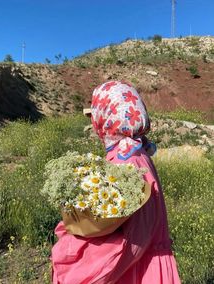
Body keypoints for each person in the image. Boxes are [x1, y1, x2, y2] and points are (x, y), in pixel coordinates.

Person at [51, 81, 181, 284]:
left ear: (107, 119)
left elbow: (135, 240)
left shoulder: (126, 161)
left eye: (94, 116)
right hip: (144, 266)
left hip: (136, 273)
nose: (94, 125)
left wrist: (70, 253)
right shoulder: (136, 153)